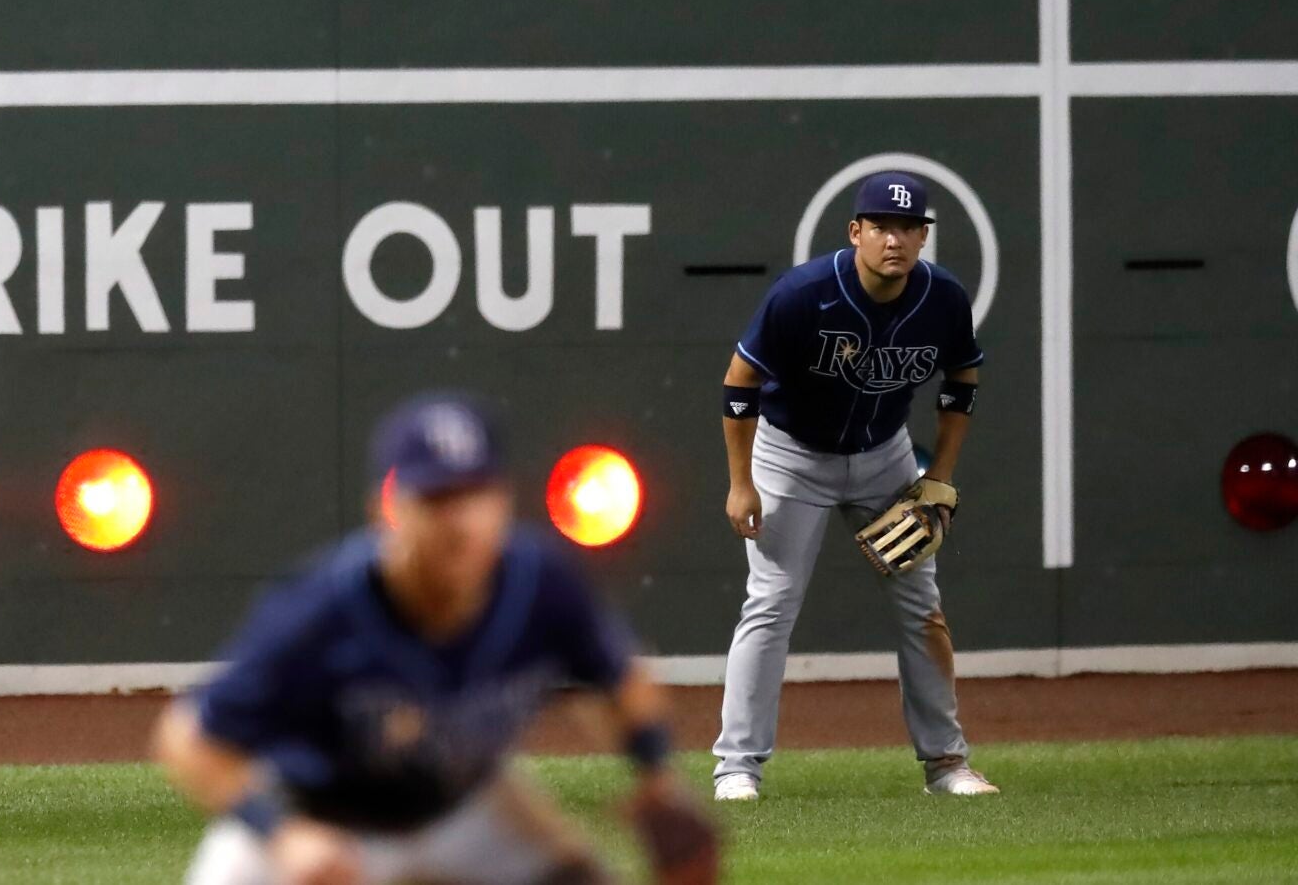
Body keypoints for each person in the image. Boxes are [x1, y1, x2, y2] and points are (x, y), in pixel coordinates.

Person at [155, 393, 717, 885]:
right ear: (387, 509)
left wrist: (658, 781)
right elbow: (185, 739)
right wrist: (282, 835)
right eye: (437, 498)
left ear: (504, 500)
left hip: (461, 811)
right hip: (320, 820)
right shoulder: (320, 610)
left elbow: (619, 678)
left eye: (475, 493)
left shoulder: (540, 584)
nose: (461, 520)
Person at [712, 170, 996, 801]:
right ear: (856, 231)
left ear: (923, 237)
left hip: (885, 458)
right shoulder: (805, 293)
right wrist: (740, 484)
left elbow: (962, 380)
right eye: (882, 226)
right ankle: (737, 766)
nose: (894, 239)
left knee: (920, 605)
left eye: (908, 227)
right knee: (771, 604)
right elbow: (739, 385)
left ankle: (947, 764)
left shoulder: (943, 298)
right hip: (791, 458)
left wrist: (940, 478)